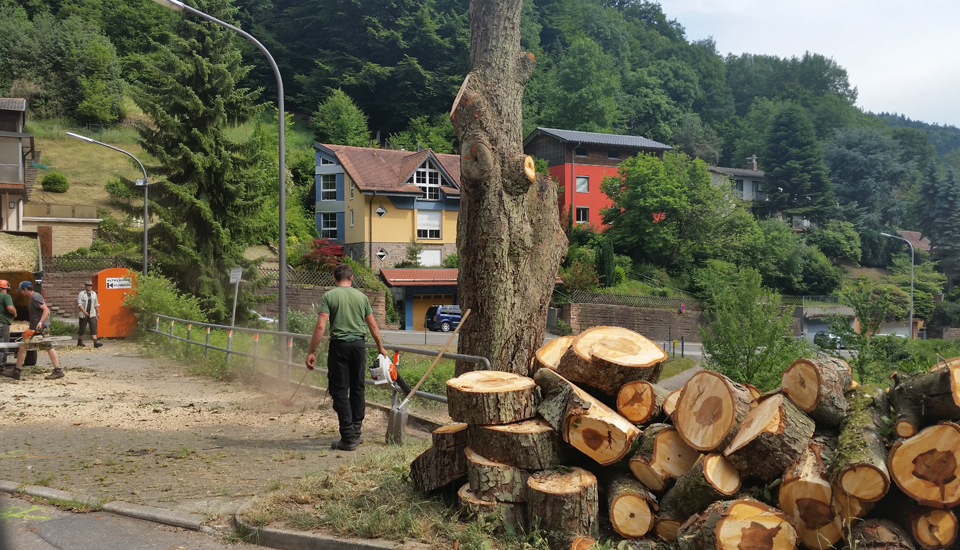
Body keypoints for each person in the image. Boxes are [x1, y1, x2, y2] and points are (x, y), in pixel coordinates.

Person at [305, 263, 388, 451]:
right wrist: (380, 347)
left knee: (339, 390)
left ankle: (348, 437)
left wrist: (311, 351)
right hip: (359, 346)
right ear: (351, 279)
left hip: (339, 347)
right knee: (358, 388)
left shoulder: (329, 296)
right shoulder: (362, 297)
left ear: (334, 279)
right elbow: (373, 327)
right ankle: (355, 433)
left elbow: (320, 326)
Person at [11, 281, 61, 381]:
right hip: (33, 328)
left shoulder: (35, 297)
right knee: (23, 345)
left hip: (40, 328)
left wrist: (40, 323)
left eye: (21, 290)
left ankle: (58, 370)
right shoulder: (34, 298)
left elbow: (46, 310)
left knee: (47, 347)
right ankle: (16, 371)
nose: (21, 293)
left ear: (25, 289)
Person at [76, 281, 102, 348]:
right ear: (85, 286)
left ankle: (95, 342)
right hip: (83, 314)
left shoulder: (94, 294)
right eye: (88, 285)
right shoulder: (81, 294)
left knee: (93, 327)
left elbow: (96, 304)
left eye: (90, 285)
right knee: (82, 328)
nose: (89, 286)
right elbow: (79, 304)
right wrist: (84, 311)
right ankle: (79, 341)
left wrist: (98, 312)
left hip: (92, 313)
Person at [0, 280, 14, 371]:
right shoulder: (6, 296)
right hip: (2, 324)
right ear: (7, 288)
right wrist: (15, 313)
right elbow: (10, 308)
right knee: (3, 345)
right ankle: (1, 367)